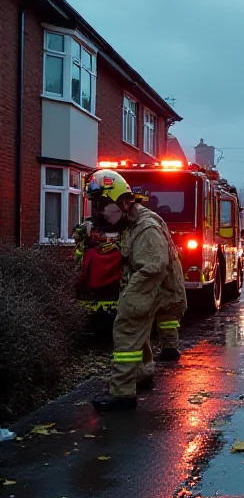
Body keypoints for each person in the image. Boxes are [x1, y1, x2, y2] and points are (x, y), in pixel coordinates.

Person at [84, 169, 187, 412]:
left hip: (149, 291)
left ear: (123, 201)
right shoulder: (133, 224)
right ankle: (142, 373)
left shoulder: (145, 227)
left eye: (102, 205)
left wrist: (130, 300)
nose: (99, 212)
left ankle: (122, 394)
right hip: (153, 290)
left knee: (127, 331)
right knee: (138, 338)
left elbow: (152, 267)